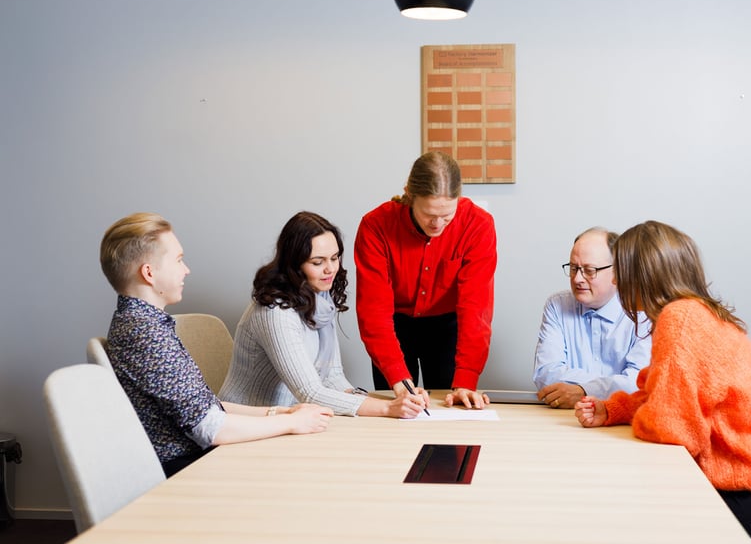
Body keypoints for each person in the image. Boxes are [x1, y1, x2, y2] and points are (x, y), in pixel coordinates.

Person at [575, 220, 751, 540]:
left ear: (643, 274)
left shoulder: (679, 320)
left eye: (621, 270)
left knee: (620, 509)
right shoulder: (694, 312)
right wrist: (614, 410)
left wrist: (644, 416)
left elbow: (673, 431)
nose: (615, 279)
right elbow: (664, 394)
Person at [100, 212, 333, 477]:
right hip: (187, 468)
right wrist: (291, 422)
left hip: (195, 458)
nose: (186, 269)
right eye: (178, 260)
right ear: (149, 273)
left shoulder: (143, 322)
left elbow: (206, 406)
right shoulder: (144, 333)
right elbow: (209, 428)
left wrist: (279, 412)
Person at [219, 212, 428, 418]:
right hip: (248, 424)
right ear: (294, 264)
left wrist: (391, 400)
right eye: (318, 262)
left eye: (334, 258)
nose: (330, 269)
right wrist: (386, 409)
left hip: (291, 420)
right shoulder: (275, 312)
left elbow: (332, 377)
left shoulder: (321, 299)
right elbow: (309, 393)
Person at [354, 151, 497, 409]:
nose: (438, 224)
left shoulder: (479, 225)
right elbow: (373, 311)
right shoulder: (375, 226)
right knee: (400, 408)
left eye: (447, 216)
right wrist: (399, 379)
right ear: (409, 194)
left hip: (448, 327)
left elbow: (476, 308)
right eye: (429, 214)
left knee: (450, 406)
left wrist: (466, 379)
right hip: (394, 327)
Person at [533, 227, 651, 409]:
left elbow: (639, 383)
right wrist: (612, 385)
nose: (578, 279)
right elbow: (545, 374)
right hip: (564, 419)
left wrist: (584, 390)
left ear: (618, 272)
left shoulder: (642, 311)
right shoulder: (557, 306)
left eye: (589, 270)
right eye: (573, 268)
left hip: (621, 422)